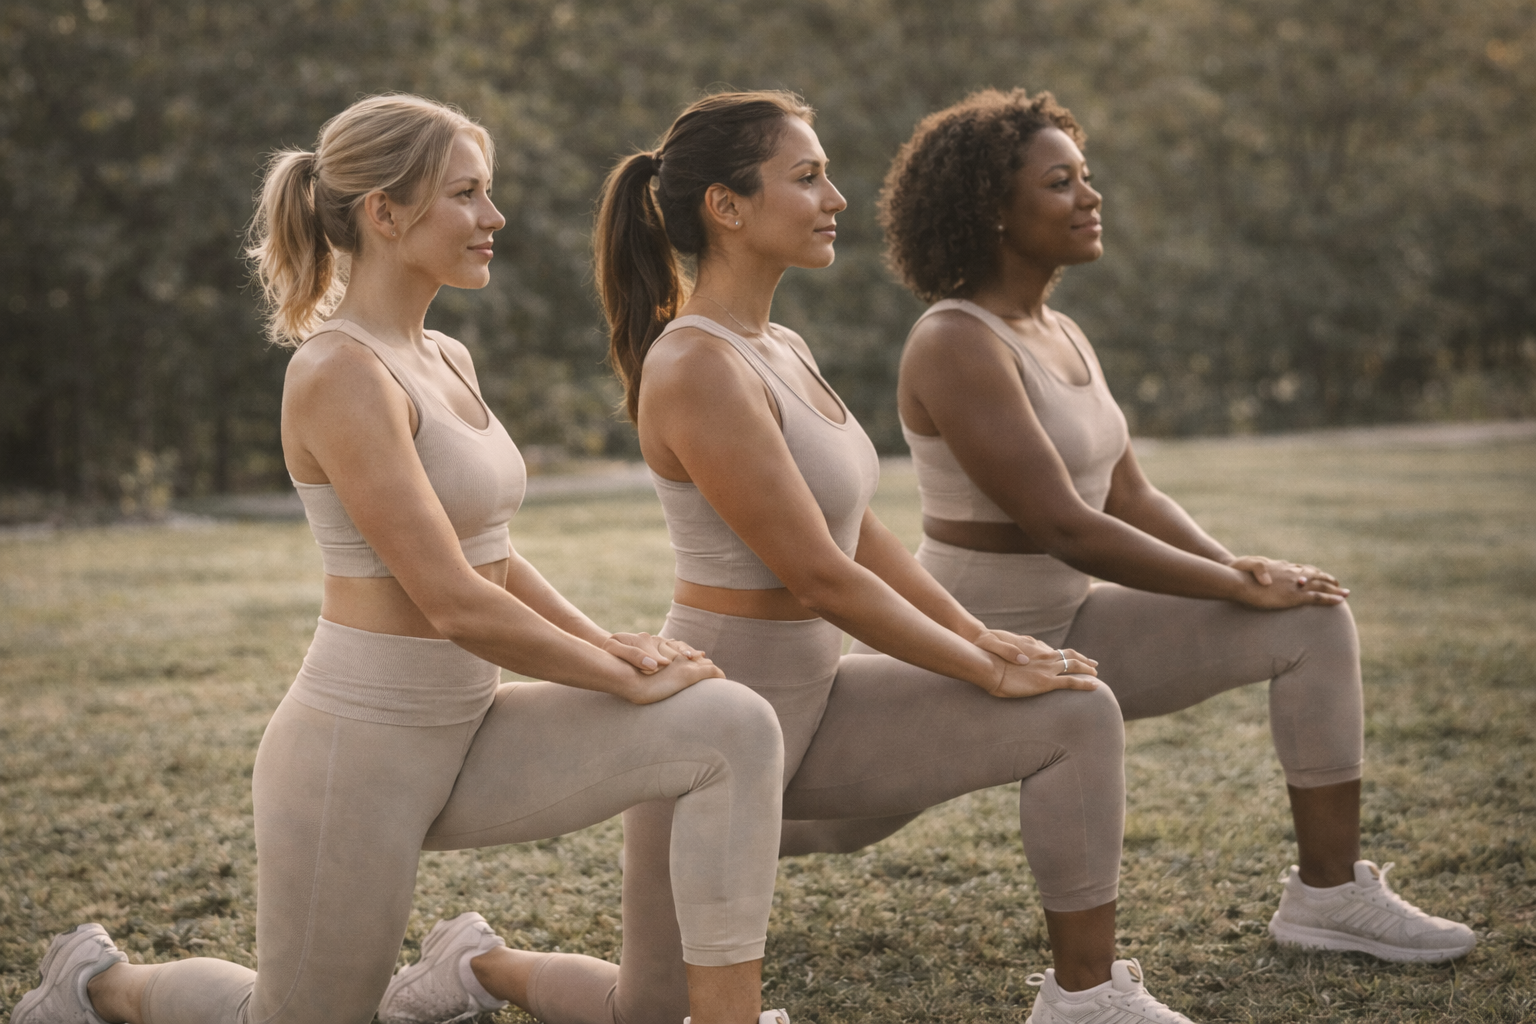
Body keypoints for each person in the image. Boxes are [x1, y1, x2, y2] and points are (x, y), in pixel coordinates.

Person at [415, 90, 1206, 1024]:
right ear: (728, 206)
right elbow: (817, 576)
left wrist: (983, 635)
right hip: (710, 721)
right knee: (651, 1014)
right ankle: (479, 965)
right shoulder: (696, 364)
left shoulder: (781, 345)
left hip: (817, 702)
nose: (835, 197)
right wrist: (983, 664)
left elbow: (860, 534)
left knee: (1077, 713)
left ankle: (1087, 999)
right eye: (808, 176)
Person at [13, 94, 797, 1024]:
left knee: (729, 727)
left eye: (487, 192)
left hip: (471, 729)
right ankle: (99, 985)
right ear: (385, 215)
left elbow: (492, 557)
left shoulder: (446, 355)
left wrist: (615, 645)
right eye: (466, 194)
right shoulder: (338, 373)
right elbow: (452, 601)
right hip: (360, 750)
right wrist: (613, 675)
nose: (493, 217)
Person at [870, 86, 1475, 965]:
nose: (1090, 195)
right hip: (970, 644)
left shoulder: (1062, 332)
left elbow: (1131, 495)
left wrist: (1247, 572)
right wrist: (1231, 584)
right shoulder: (953, 342)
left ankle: (1331, 896)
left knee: (1309, 618)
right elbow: (1065, 526)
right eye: (1060, 182)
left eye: (1086, 176)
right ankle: (692, 843)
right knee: (832, 822)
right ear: (991, 209)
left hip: (1071, 630)